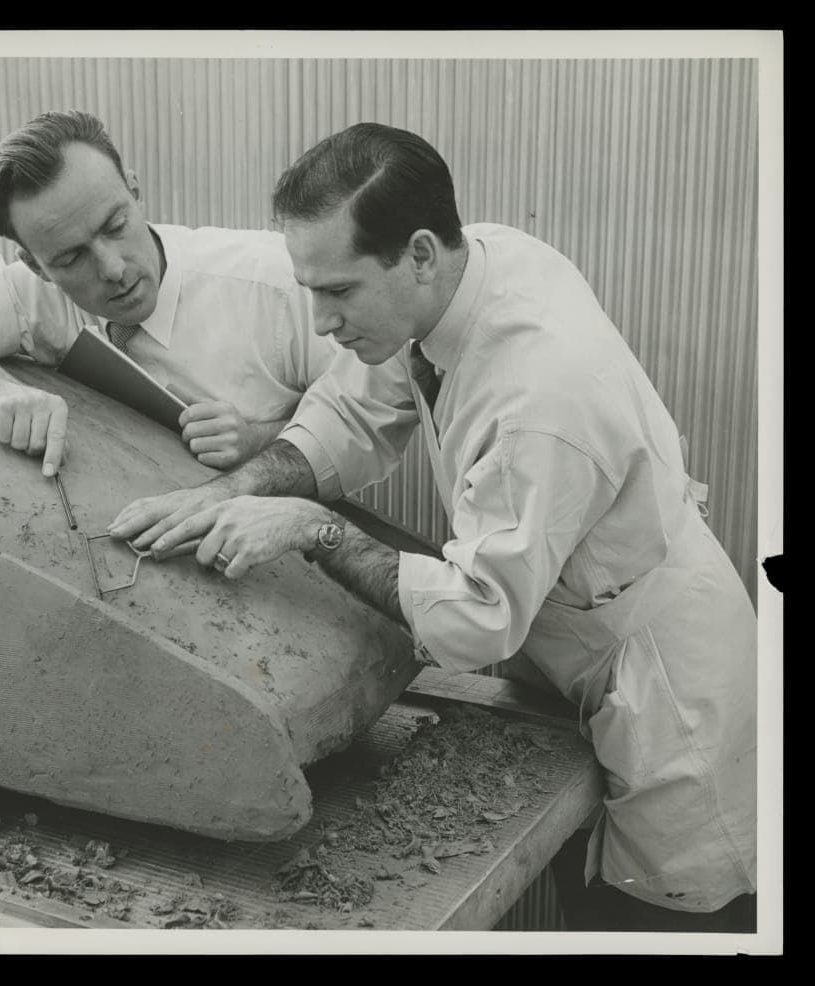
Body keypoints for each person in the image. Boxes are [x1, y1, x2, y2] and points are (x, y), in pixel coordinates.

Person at [109, 123, 757, 932]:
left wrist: (316, 530)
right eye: (310, 290)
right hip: (571, 644)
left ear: (418, 253)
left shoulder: (541, 397)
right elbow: (351, 411)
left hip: (668, 694)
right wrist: (231, 489)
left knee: (655, 919)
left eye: (338, 292)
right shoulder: (469, 265)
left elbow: (480, 617)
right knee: (583, 885)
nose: (321, 322)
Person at [0, 110, 338, 477]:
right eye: (71, 259)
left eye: (116, 225)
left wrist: (261, 439)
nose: (113, 268)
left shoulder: (278, 281)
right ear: (35, 266)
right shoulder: (36, 295)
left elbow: (366, 417)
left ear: (135, 190)